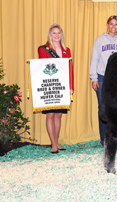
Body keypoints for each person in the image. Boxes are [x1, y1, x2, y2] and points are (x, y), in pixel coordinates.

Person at [90, 15, 117, 146]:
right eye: (111, 24)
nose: (113, 26)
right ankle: (104, 139)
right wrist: (94, 78)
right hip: (102, 77)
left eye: (116, 24)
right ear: (107, 25)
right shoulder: (99, 40)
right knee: (103, 109)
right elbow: (94, 59)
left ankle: (115, 137)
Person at [38, 23, 74, 154]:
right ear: (50, 35)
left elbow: (70, 70)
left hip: (63, 86)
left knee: (58, 115)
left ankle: (57, 142)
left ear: (61, 35)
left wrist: (71, 87)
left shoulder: (67, 50)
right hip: (50, 86)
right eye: (54, 33)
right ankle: (53, 144)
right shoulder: (44, 49)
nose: (56, 35)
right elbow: (43, 68)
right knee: (50, 114)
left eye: (58, 33)